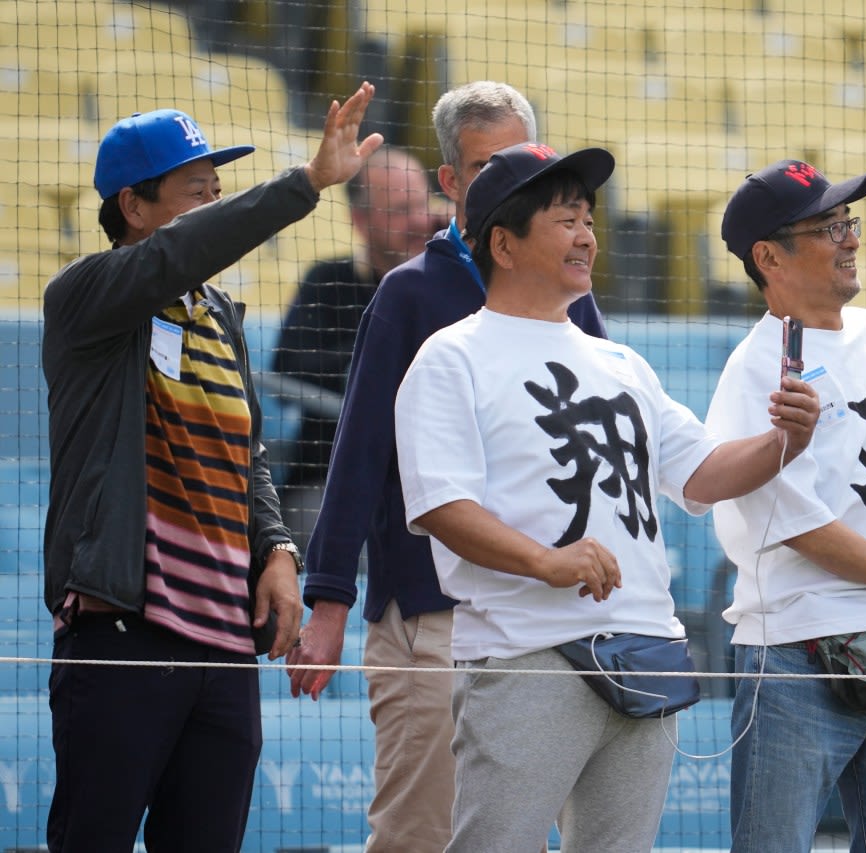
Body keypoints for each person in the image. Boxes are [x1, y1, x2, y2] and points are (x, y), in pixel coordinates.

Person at [394, 141, 819, 853]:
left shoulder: (620, 361)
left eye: (588, 217)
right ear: (503, 240)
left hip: (644, 655)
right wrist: (545, 561)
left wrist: (783, 444)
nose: (587, 234)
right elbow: (442, 505)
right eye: (565, 219)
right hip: (529, 654)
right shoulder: (451, 356)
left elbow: (702, 473)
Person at [41, 84, 382, 852]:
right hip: (123, 635)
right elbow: (177, 253)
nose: (215, 201)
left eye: (217, 189)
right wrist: (304, 185)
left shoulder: (218, 315)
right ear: (134, 206)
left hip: (222, 651)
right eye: (198, 190)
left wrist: (277, 549)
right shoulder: (85, 297)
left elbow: (247, 453)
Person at [285, 81, 606, 853]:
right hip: (429, 615)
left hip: (544, 620)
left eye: (528, 163)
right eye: (491, 165)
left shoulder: (570, 294)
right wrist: (327, 600)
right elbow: (357, 451)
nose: (515, 183)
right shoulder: (408, 294)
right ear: (452, 183)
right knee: (417, 835)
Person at [705, 158, 866, 853]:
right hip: (800, 653)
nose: (851, 238)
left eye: (847, 222)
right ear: (769, 256)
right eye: (828, 227)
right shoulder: (757, 365)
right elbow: (795, 523)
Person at [270, 146, 451, 552]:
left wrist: (464, 250)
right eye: (401, 210)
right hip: (330, 478)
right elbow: (288, 367)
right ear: (360, 221)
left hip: (439, 479)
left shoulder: (450, 278)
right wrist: (384, 356)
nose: (420, 221)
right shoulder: (328, 280)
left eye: (423, 205)